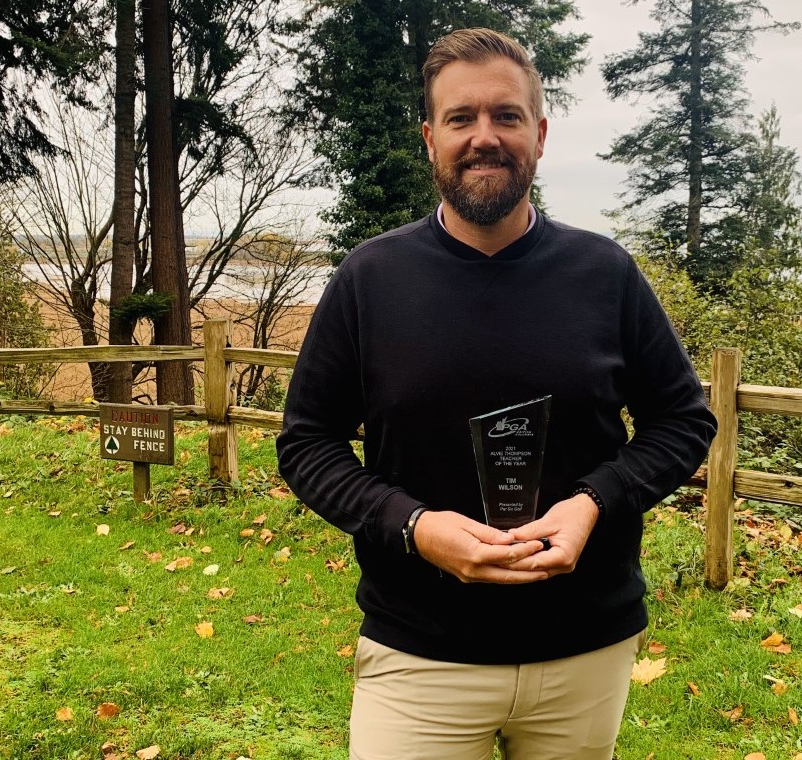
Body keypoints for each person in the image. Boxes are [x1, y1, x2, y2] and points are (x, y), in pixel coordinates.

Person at [277, 27, 717, 760]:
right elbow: (307, 443)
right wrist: (414, 527)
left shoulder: (605, 274)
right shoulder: (370, 279)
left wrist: (593, 503)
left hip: (584, 653)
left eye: (507, 116)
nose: (486, 137)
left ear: (539, 134)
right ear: (430, 137)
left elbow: (683, 420)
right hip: (418, 657)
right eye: (461, 118)